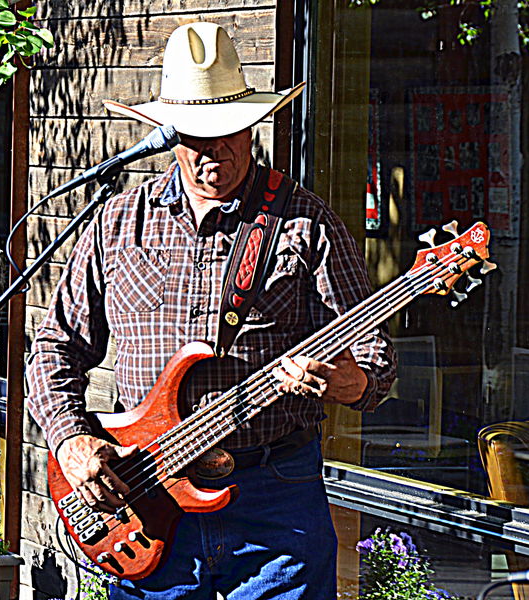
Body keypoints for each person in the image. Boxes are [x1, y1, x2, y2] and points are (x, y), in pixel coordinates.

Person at [27, 21, 396, 600]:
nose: (214, 150)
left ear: (251, 126)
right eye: (196, 135)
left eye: (229, 131)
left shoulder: (305, 221)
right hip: (143, 496)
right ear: (168, 133)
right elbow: (55, 347)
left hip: (276, 494)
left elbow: (375, 366)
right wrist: (72, 441)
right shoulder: (117, 221)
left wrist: (348, 381)